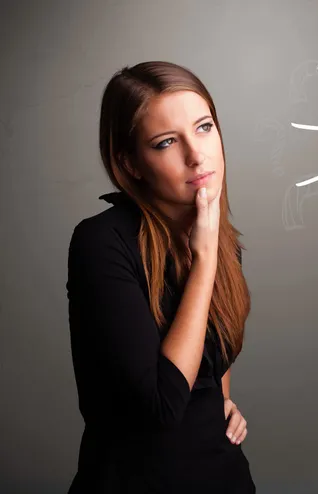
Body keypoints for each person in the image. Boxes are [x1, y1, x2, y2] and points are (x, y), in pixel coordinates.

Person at [66, 61, 255, 493]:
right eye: (166, 142)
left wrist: (220, 405)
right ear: (130, 163)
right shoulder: (101, 243)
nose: (196, 154)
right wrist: (204, 261)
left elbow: (212, 365)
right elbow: (163, 405)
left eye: (204, 127)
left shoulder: (223, 247)